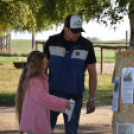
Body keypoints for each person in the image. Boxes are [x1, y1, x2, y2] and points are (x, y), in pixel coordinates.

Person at [43, 14, 97, 134]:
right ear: (65, 28)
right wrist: (40, 94)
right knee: (45, 130)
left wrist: (92, 99)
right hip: (52, 97)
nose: (77, 34)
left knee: (71, 131)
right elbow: (43, 69)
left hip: (74, 99)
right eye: (73, 31)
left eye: (79, 31)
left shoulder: (87, 46)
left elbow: (92, 73)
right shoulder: (52, 42)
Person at [15, 50, 73, 134]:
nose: (45, 66)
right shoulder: (34, 81)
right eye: (42, 63)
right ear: (33, 65)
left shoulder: (37, 79)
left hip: (35, 124)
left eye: (45, 63)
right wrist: (64, 103)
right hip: (36, 126)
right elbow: (43, 98)